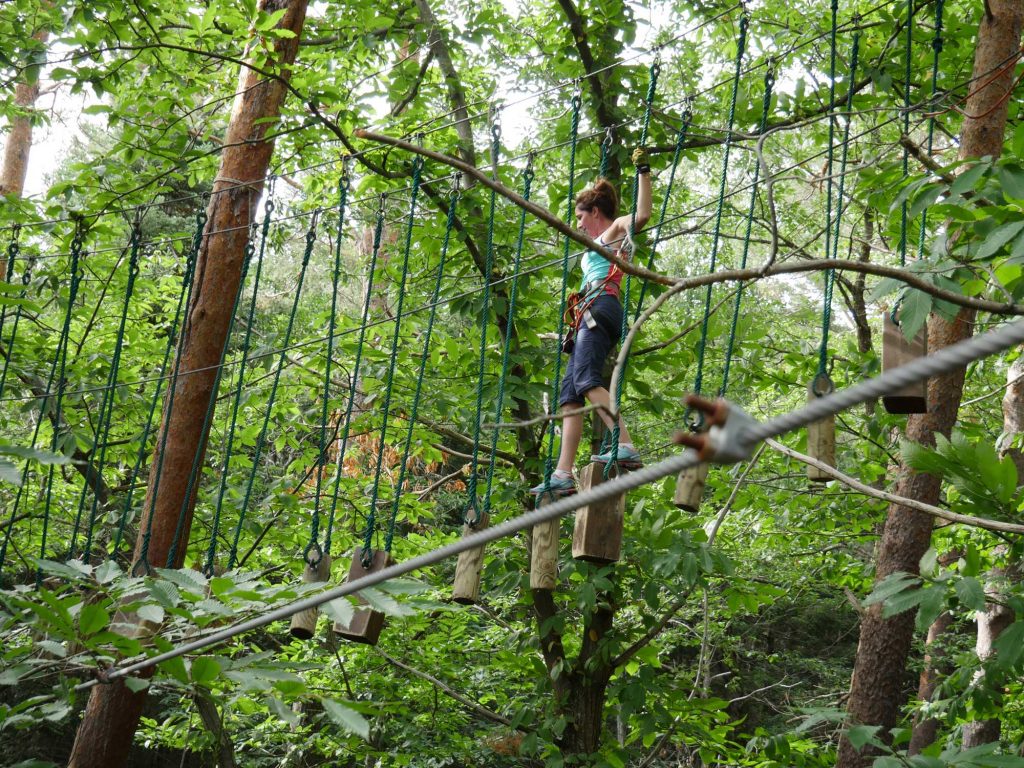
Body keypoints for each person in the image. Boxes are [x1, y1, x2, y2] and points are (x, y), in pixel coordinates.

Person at [531, 149, 652, 495]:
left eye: (581, 217)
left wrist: (643, 171)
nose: (579, 224)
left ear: (595, 212)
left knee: (585, 380)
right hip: (588, 314)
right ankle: (563, 474)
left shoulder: (612, 232)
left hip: (602, 309)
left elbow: (642, 215)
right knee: (569, 395)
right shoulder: (592, 247)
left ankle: (624, 443)